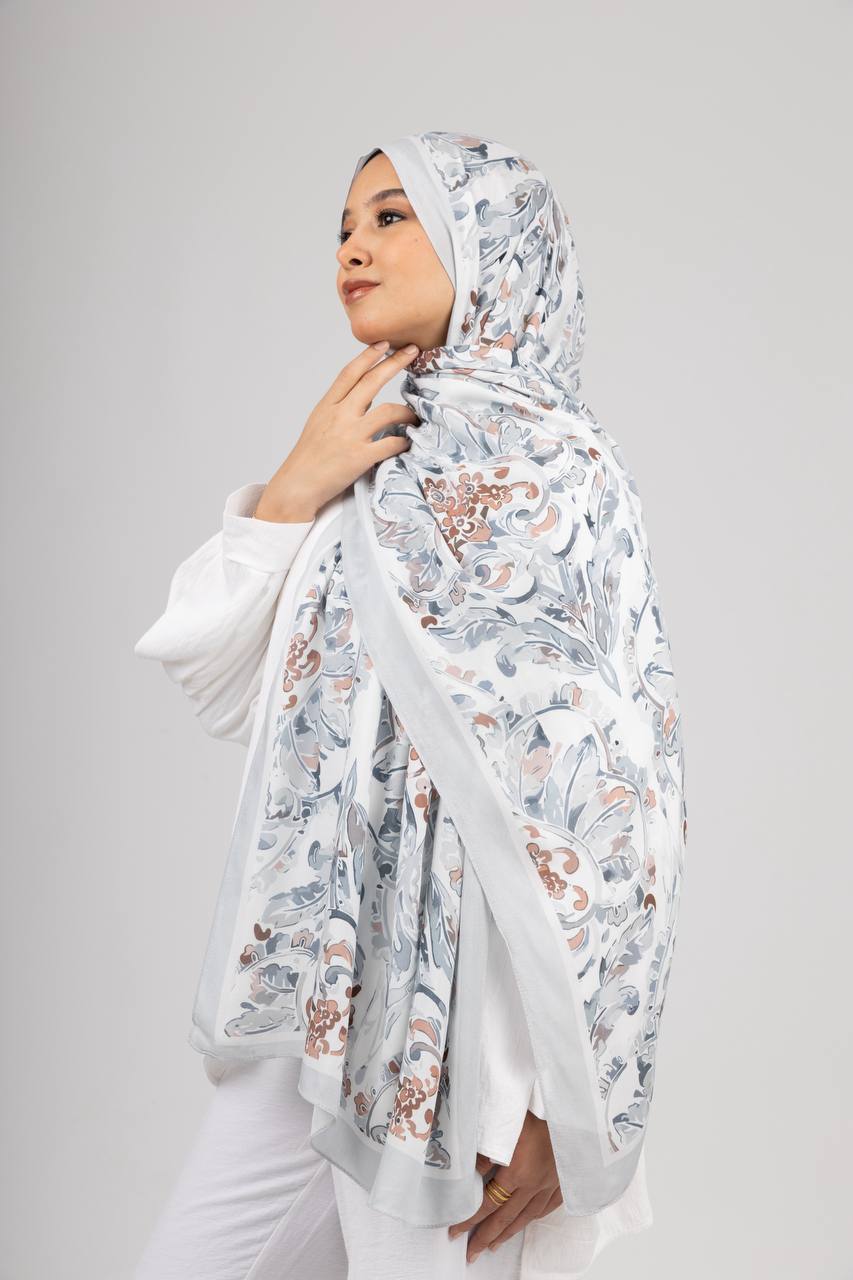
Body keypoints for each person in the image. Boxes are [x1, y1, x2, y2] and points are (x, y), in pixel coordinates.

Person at [133, 130, 685, 1278]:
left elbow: (616, 801)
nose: (351, 248)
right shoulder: (366, 467)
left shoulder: (562, 474)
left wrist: (558, 1092)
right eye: (342, 226)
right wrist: (296, 483)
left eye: (391, 216)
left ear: (492, 243)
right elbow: (214, 676)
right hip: (323, 1005)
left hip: (471, 1038)